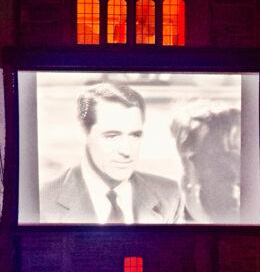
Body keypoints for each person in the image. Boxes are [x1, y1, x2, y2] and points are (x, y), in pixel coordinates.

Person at [40, 81, 183, 224]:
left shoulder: (169, 195)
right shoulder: (43, 200)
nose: (126, 151)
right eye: (112, 136)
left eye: (135, 135)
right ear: (83, 133)